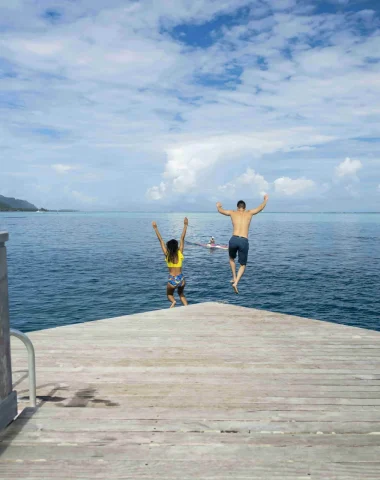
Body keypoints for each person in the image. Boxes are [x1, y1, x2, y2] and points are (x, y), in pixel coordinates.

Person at [216, 195, 268, 294]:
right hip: (243, 240)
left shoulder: (232, 212)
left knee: (231, 259)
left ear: (237, 207)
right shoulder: (249, 213)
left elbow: (221, 211)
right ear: (245, 207)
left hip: (233, 239)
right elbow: (260, 208)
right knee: (243, 265)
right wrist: (265, 200)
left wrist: (218, 206)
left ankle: (234, 277)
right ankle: (236, 282)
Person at [152, 217, 189, 308]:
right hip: (181, 278)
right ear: (177, 247)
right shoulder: (180, 253)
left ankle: (173, 302)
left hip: (172, 279)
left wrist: (155, 228)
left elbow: (160, 240)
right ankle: (187, 307)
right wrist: (185, 225)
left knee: (169, 295)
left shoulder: (167, 255)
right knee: (181, 293)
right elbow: (182, 238)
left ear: (168, 247)